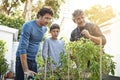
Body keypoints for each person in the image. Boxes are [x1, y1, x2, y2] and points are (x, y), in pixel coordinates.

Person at [15, 7, 53, 80]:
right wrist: (25, 69)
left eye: (50, 19)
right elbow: (22, 47)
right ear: (39, 16)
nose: (48, 21)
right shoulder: (28, 26)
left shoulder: (44, 29)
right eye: (46, 18)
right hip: (22, 60)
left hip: (33, 60)